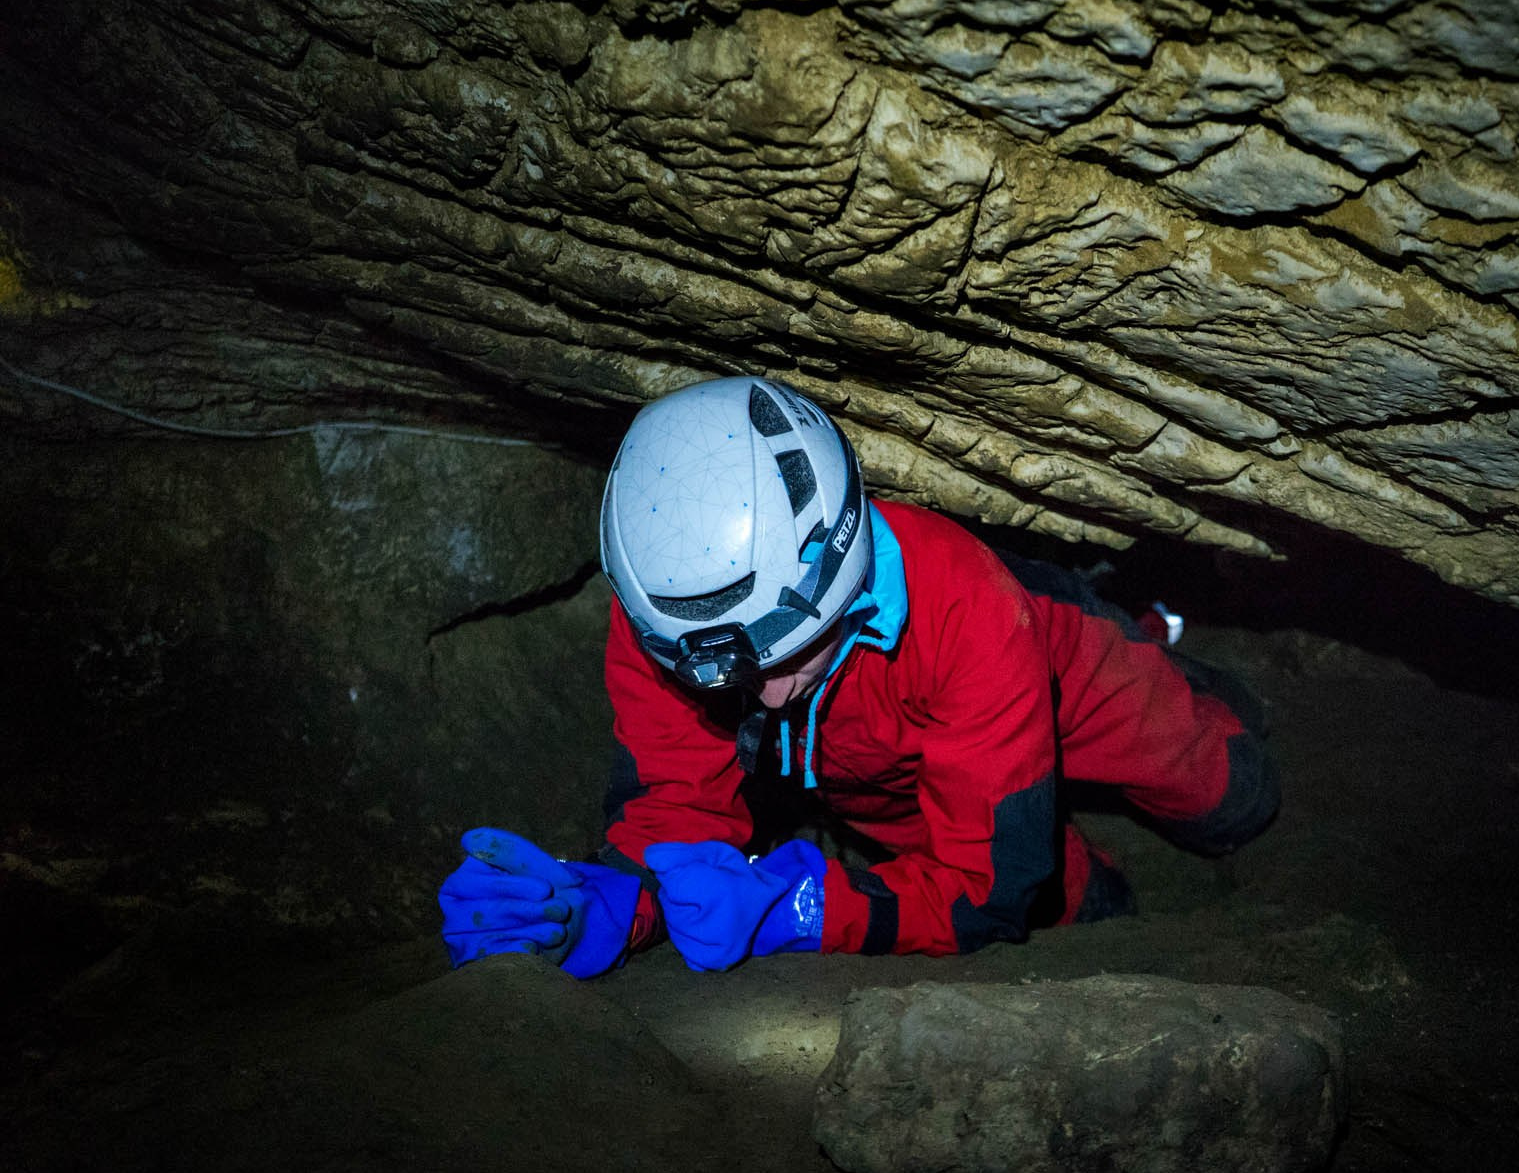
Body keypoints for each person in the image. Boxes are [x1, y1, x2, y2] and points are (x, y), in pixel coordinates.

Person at [438, 376, 1277, 976]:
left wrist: (797, 905)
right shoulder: (672, 619)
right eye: (733, 675)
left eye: (782, 655)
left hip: (1036, 654)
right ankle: (1103, 892)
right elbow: (979, 889)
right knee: (1041, 891)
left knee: (1233, 795)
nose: (758, 698)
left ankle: (1168, 645)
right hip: (875, 759)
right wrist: (608, 904)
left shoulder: (971, 611)